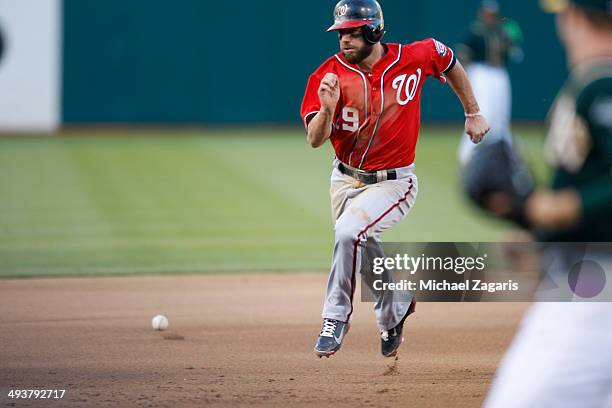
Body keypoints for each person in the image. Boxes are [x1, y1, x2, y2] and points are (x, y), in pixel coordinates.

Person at [300, 0, 490, 358]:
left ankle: (334, 317)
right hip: (344, 180)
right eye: (341, 33)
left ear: (374, 30)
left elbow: (448, 60)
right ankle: (395, 308)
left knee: (348, 233)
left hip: (394, 183)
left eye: (353, 32)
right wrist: (327, 110)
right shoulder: (327, 75)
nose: (344, 40)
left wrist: (473, 111)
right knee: (362, 245)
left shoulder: (414, 57)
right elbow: (314, 139)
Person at [482, 0, 612, 405]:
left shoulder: (603, 86)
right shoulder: (593, 82)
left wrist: (556, 208)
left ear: (573, 19)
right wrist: (538, 231)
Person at [456, 0, 524, 165]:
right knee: (483, 109)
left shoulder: (502, 31)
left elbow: (515, 52)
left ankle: (502, 150)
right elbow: (463, 54)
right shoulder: (476, 31)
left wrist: (512, 39)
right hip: (481, 72)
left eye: (492, 14)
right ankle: (468, 152)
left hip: (499, 72)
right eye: (487, 14)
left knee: (501, 112)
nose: (489, 17)